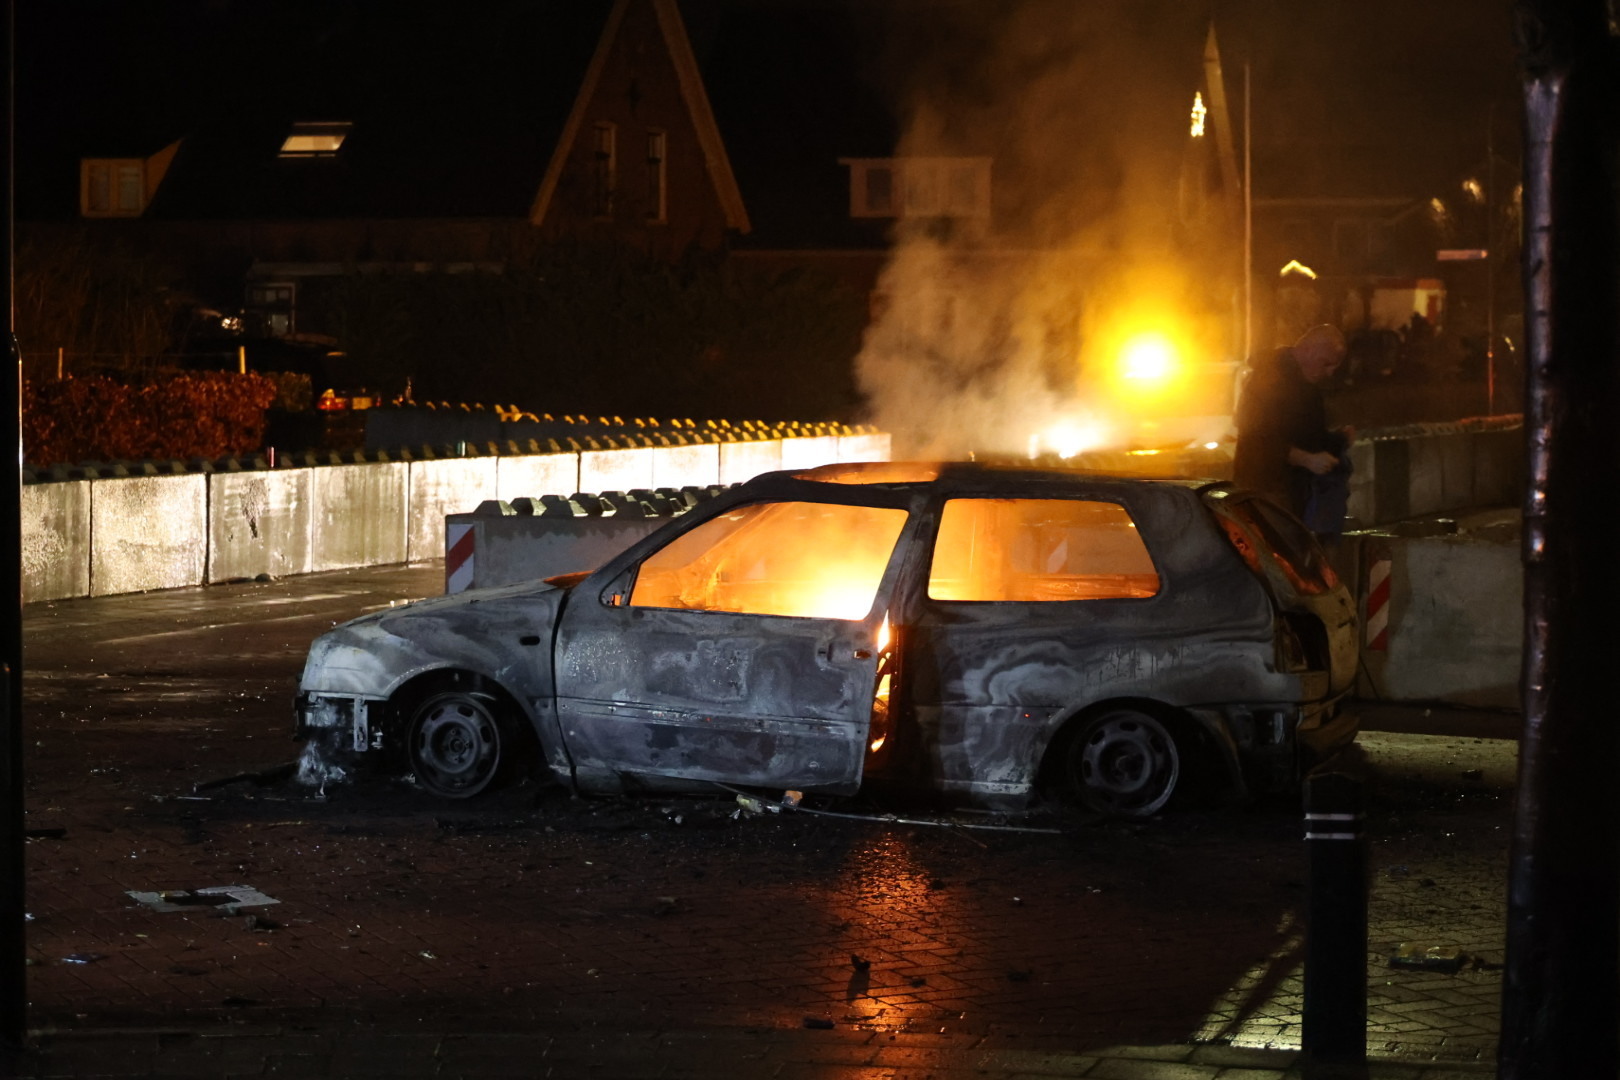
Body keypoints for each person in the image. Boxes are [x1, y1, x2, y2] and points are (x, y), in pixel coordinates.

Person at [1233, 324, 1356, 540]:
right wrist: (1305, 459)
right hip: (1266, 490)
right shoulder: (1268, 379)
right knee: (1277, 558)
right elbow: (1255, 436)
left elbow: (1306, 435)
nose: (1330, 372)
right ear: (1308, 350)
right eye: (1326, 363)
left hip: (1291, 491)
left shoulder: (1304, 385)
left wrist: (1337, 440)